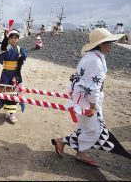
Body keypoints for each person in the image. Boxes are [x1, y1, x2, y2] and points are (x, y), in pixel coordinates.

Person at [51, 28, 131, 167]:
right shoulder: (95, 62)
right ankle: (65, 143)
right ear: (101, 44)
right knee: (95, 130)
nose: (111, 45)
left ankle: (75, 149)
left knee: (87, 127)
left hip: (82, 97)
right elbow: (93, 87)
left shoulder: (92, 56)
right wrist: (93, 106)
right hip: (87, 100)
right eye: (108, 42)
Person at [0, 29, 27, 123]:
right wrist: (5, 37)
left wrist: (21, 58)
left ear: (18, 39)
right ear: (9, 39)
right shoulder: (5, 48)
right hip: (5, 74)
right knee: (6, 92)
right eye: (11, 38)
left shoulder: (20, 49)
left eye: (15, 38)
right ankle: (7, 112)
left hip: (15, 74)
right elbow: (1, 51)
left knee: (14, 93)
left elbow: (23, 59)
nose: (14, 40)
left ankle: (12, 114)